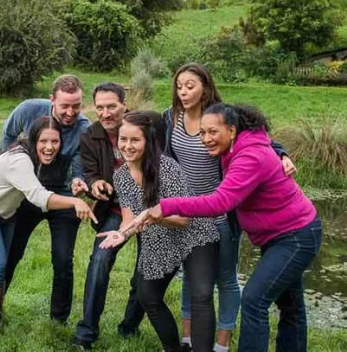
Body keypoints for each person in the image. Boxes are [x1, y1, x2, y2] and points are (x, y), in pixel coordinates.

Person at [134, 103, 322, 352]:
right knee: (291, 306)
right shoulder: (239, 146)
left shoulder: (250, 156)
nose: (206, 139)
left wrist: (166, 206)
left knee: (254, 300)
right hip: (280, 236)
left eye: (213, 132)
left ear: (232, 130)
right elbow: (266, 139)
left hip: (296, 236)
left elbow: (221, 201)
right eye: (202, 133)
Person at [159, 63, 295, 352]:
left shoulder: (220, 116)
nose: (183, 91)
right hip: (187, 210)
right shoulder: (171, 118)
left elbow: (261, 139)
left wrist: (282, 154)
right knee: (191, 278)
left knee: (226, 279)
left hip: (222, 212)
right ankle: (188, 337)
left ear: (205, 87)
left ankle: (221, 342)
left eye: (190, 85)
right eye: (179, 85)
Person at [0, 116, 97, 341]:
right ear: (33, 140)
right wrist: (74, 201)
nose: (50, 147)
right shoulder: (20, 159)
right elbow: (37, 196)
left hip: (5, 213)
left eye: (55, 142)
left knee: (2, 263)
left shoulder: (36, 158)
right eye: (44, 141)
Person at [98, 112, 219, 352]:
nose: (127, 146)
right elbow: (129, 217)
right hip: (158, 237)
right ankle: (173, 348)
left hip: (195, 235)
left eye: (135, 140)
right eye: (123, 140)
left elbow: (184, 219)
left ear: (147, 141)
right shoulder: (121, 175)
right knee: (148, 296)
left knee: (202, 296)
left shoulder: (167, 167)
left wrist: (152, 217)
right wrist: (122, 234)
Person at [0, 74, 91, 324]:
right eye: (65, 106)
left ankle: (58, 320)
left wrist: (78, 180)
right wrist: (13, 170)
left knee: (62, 259)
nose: (71, 112)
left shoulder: (85, 128)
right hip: (28, 193)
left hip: (63, 197)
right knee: (11, 252)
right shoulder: (28, 110)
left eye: (76, 105)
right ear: (52, 101)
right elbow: (7, 136)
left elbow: (80, 165)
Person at [71, 83, 149, 350]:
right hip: (116, 209)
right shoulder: (90, 135)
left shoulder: (146, 126)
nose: (105, 113)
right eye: (100, 107)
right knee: (100, 260)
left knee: (145, 270)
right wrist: (95, 184)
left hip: (152, 209)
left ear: (124, 105)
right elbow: (91, 171)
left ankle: (129, 326)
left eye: (112, 106)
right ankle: (86, 334)